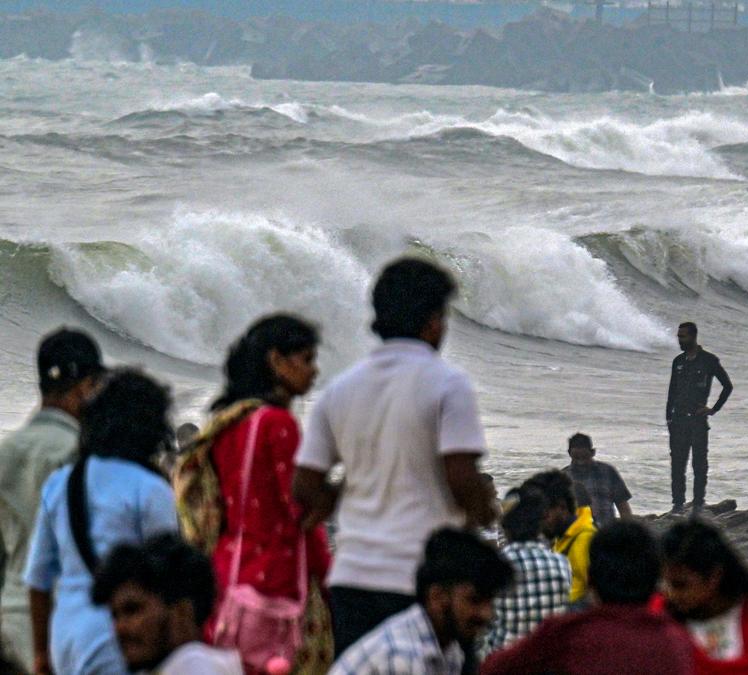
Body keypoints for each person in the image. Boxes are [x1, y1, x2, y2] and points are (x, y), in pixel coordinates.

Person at [293, 258, 497, 655]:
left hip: (352, 578)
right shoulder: (447, 384)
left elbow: (305, 485)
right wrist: (484, 513)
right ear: (435, 320)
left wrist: (350, 491)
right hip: (421, 581)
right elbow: (459, 475)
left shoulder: (340, 389)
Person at [183, 315, 332, 673]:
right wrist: (327, 578)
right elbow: (301, 513)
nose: (314, 372)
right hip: (271, 587)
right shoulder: (278, 424)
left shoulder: (229, 422)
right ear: (276, 361)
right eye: (307, 359)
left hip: (227, 577)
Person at [24, 370, 179, 675]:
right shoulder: (149, 488)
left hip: (66, 639)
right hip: (122, 639)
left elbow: (38, 579)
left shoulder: (62, 482)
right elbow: (169, 576)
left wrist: (41, 653)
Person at [0, 329, 105, 669]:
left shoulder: (5, 452)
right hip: (67, 625)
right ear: (86, 387)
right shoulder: (82, 457)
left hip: (10, 618)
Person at [482, 521, 694, 675]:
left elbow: (494, 668)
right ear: (657, 580)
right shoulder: (682, 640)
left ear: (591, 580)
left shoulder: (565, 634)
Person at [331, 529, 513, 675]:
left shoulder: (448, 649)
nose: (486, 614)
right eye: (474, 601)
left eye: (489, 602)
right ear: (437, 597)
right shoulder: (402, 656)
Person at [91, 533, 242, 674]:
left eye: (133, 610)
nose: (120, 628)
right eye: (115, 616)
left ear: (182, 613)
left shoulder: (194, 666)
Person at [656, 520, 748, 674]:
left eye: (680, 585)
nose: (669, 594)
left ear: (714, 576)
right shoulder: (657, 617)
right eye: (664, 584)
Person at [481, 485, 571, 656]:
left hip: (504, 661)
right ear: (543, 521)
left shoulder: (494, 565)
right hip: (548, 659)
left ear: (504, 523)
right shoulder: (561, 563)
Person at [666, 322, 733, 513]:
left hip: (697, 420)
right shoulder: (678, 361)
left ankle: (698, 503)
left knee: (699, 463)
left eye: (683, 337)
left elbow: (727, 386)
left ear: (694, 337)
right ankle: (677, 504)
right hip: (678, 420)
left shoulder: (709, 360)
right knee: (677, 463)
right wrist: (668, 418)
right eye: (678, 336)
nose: (680, 340)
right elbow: (672, 391)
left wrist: (713, 409)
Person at [524, 471, 596, 604]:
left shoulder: (584, 540)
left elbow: (598, 595)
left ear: (562, 507)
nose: (539, 523)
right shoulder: (564, 537)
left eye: (543, 515)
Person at [561, 433, 633, 527]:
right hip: (576, 534)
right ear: (569, 453)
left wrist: (628, 532)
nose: (580, 461)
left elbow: (623, 505)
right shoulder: (563, 477)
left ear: (593, 452)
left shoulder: (608, 471)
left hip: (605, 533)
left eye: (584, 456)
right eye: (576, 456)